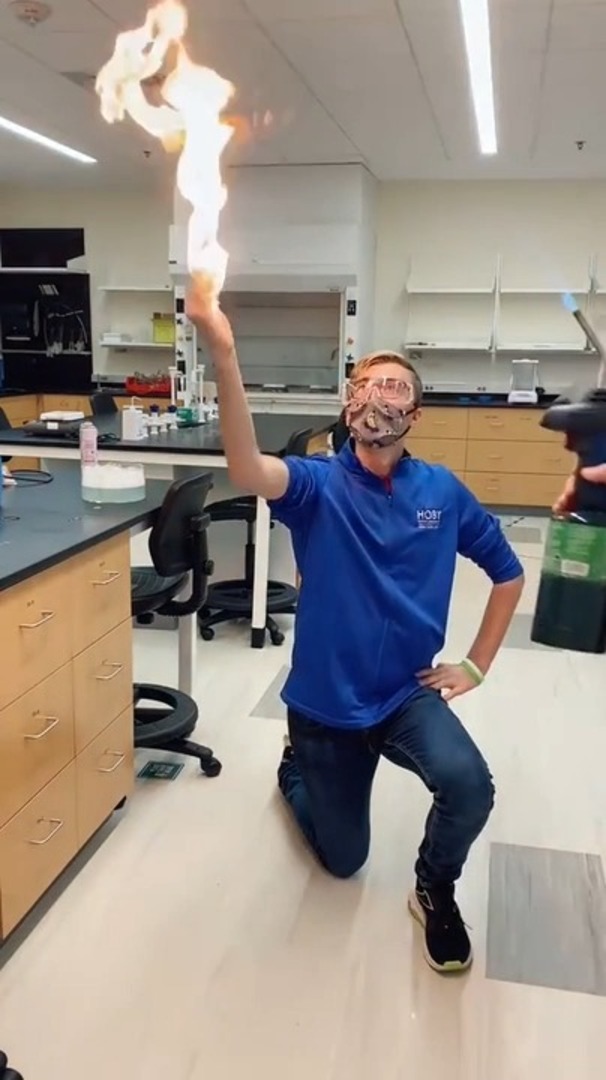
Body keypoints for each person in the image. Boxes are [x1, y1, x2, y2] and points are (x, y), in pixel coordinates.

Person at [187, 279, 524, 975]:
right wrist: (224, 356)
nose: (380, 396)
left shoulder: (442, 492)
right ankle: (294, 767)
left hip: (405, 692)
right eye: (369, 383)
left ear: (416, 414)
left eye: (397, 387)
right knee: (344, 863)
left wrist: (476, 664)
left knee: (470, 784)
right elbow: (248, 468)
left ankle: (435, 887)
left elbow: (509, 573)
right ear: (350, 402)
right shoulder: (318, 486)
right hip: (327, 707)